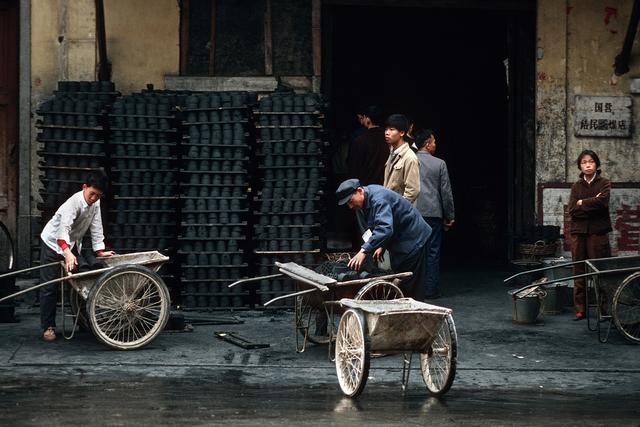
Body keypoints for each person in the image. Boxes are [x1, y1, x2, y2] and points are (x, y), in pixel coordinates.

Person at [39, 170, 114, 341]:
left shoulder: (96, 204)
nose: (94, 198)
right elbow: (62, 231)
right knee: (50, 286)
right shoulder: (73, 203)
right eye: (92, 193)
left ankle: (81, 320)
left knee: (78, 284)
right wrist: (67, 253)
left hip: (71, 243)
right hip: (53, 242)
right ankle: (48, 327)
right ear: (84, 187)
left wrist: (99, 250)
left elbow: (96, 227)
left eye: (98, 195)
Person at [336, 178, 432, 300]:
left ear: (359, 191)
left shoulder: (378, 199)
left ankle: (416, 314)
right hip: (401, 239)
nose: (350, 206)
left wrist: (364, 251)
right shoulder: (365, 202)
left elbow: (385, 228)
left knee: (412, 285)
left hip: (415, 239)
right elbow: (380, 225)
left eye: (350, 201)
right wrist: (382, 245)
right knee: (401, 278)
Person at [568, 150, 612, 321]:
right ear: (580, 166)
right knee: (578, 270)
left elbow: (602, 203)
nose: (587, 165)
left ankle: (603, 309)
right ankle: (580, 309)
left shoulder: (604, 183)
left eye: (591, 161)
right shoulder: (576, 186)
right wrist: (590, 204)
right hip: (578, 233)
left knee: (599, 270)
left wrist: (582, 203)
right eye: (584, 162)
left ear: (596, 164)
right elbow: (572, 210)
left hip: (597, 233)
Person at [414, 129, 455, 299]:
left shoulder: (409, 160)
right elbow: (445, 193)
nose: (435, 144)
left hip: (413, 212)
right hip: (432, 213)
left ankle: (415, 290)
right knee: (432, 252)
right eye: (434, 141)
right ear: (427, 144)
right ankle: (431, 290)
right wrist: (450, 215)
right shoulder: (439, 163)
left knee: (415, 252)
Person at [346, 104, 388, 186]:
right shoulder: (388, 139)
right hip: (384, 186)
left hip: (365, 188)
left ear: (367, 118)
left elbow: (353, 168)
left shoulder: (360, 141)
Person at [383, 114, 420, 204]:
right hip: (389, 209)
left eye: (392, 129)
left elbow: (412, 191)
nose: (387, 132)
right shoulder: (392, 153)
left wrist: (397, 208)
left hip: (401, 214)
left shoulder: (410, 158)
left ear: (402, 133)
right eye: (386, 129)